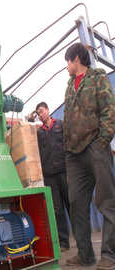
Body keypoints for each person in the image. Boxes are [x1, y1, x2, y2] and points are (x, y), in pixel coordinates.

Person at [64, 42, 115, 269]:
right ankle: (85, 255)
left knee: (106, 201)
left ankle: (109, 255)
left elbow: (109, 110)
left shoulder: (97, 78)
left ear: (76, 59)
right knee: (76, 204)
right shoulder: (68, 86)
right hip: (74, 154)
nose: (66, 66)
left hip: (96, 147)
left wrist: (102, 141)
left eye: (68, 61)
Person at [36, 102, 70, 252]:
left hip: (64, 171)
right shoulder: (39, 133)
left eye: (42, 111)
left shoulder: (60, 125)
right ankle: (64, 242)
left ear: (48, 110)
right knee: (57, 210)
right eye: (38, 113)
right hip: (49, 175)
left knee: (72, 204)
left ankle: (83, 239)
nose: (40, 115)